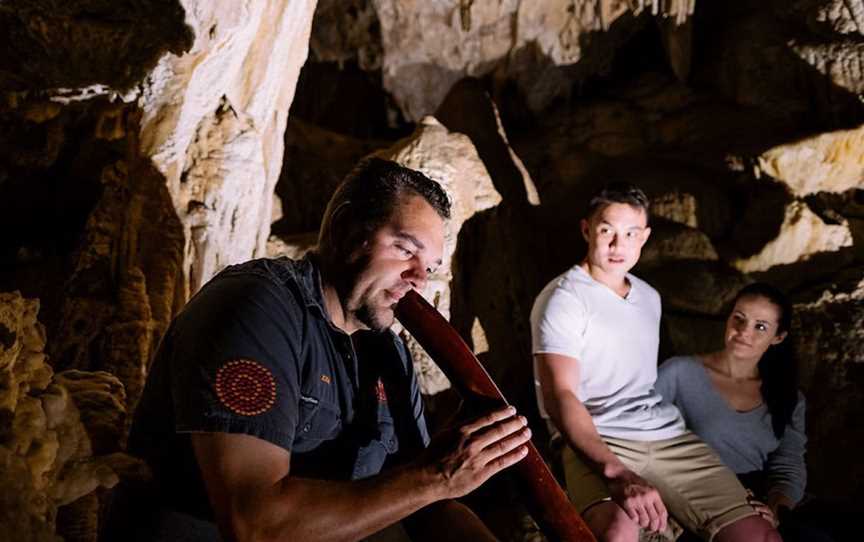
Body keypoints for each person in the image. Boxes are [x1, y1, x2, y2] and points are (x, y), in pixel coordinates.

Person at [104, 158, 532, 542]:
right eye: (405, 249)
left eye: (432, 267)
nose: (419, 277)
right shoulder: (256, 308)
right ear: (348, 231)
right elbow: (255, 524)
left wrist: (445, 478)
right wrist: (435, 476)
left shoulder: (388, 353)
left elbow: (429, 508)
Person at [530, 182, 781, 542]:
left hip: (664, 437)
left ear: (644, 236)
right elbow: (560, 396)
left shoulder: (648, 297)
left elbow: (647, 385)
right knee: (616, 534)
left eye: (631, 233)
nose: (619, 245)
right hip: (599, 436)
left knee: (761, 535)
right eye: (607, 232)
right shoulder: (564, 299)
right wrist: (617, 473)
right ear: (587, 230)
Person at [656, 283, 835, 542]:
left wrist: (774, 508)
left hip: (757, 500)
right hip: (694, 496)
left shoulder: (787, 397)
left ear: (778, 337)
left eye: (760, 326)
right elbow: (640, 432)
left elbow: (788, 464)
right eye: (738, 319)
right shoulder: (679, 372)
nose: (743, 332)